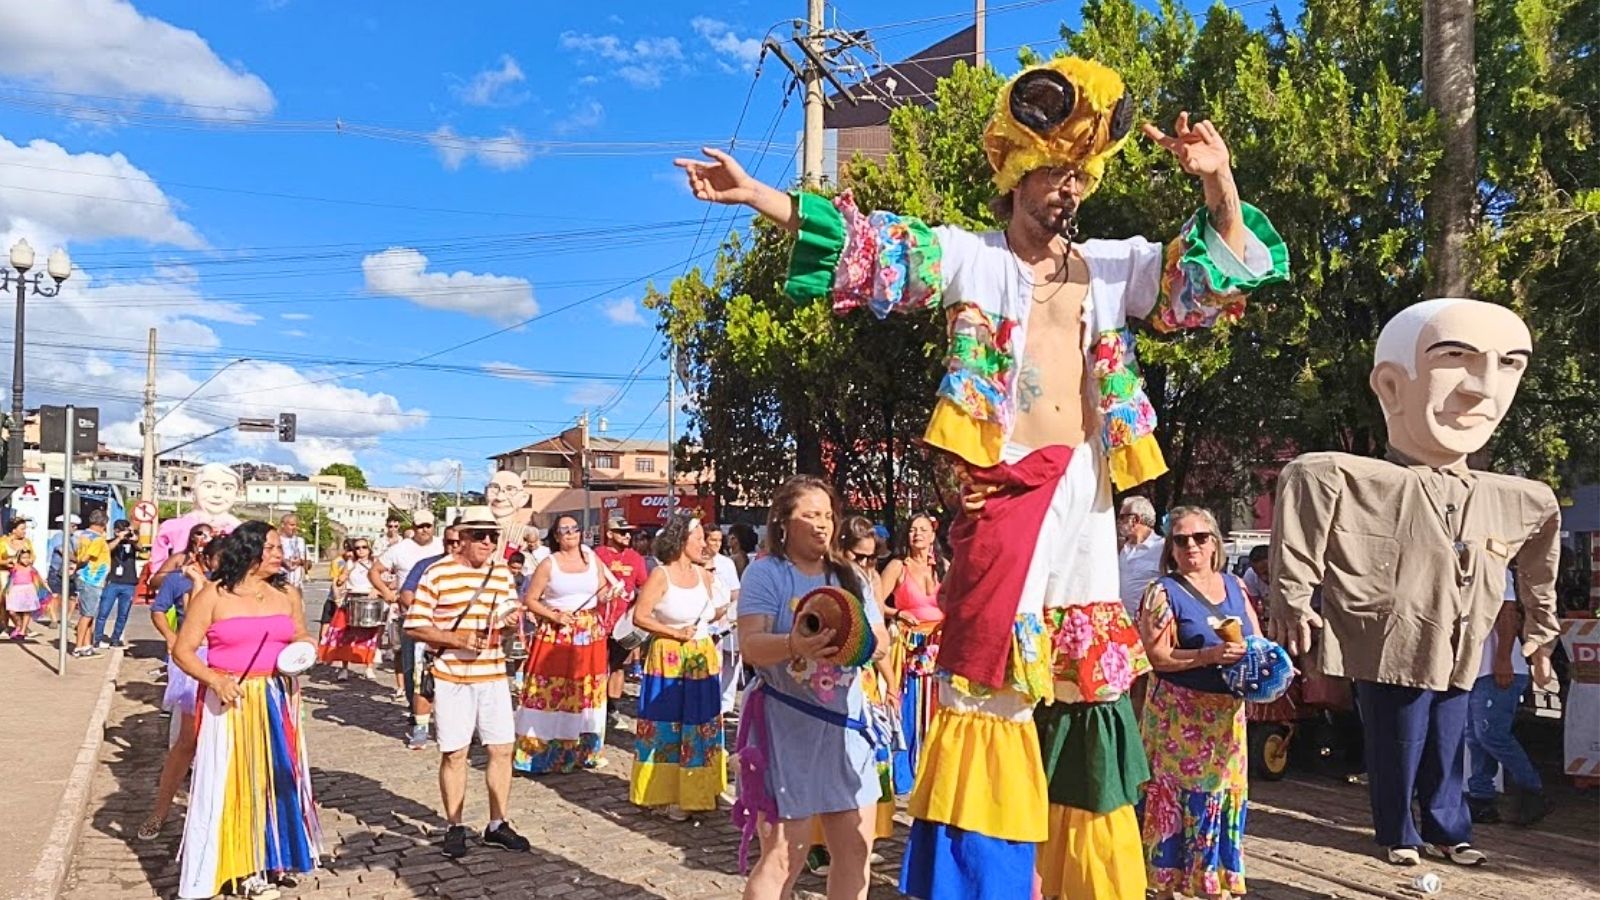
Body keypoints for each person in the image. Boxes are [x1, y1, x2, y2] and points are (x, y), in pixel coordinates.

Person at [680, 55, 1288, 899]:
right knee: (988, 691)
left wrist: (1217, 180)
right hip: (1005, 499)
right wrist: (761, 197)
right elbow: (875, 249)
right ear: (1015, 175)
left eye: (1079, 176)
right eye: (1054, 173)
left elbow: (1217, 273)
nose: (1069, 190)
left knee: (1090, 697)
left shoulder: (1113, 266)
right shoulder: (974, 258)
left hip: (1086, 501)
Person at [1269, 298, 1561, 869]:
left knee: (1449, 741)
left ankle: (1451, 829)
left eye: (1510, 364)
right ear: (1390, 385)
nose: (1483, 388)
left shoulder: (1508, 496)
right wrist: (1293, 595)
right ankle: (1398, 830)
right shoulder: (1362, 478)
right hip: (1393, 645)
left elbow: (1542, 538)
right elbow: (1308, 474)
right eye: (1455, 358)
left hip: (1460, 646)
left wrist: (1542, 631)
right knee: (1397, 740)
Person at [731, 475, 891, 900]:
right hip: (785, 729)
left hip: (845, 730)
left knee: (855, 850)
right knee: (784, 856)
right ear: (783, 522)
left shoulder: (850, 576)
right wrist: (794, 644)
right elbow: (750, 645)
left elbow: (881, 640)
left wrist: (855, 642)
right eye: (810, 515)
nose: (822, 524)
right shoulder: (766, 573)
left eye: (827, 515)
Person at [173, 521, 321, 899]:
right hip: (231, 701)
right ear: (248, 551)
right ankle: (239, 867)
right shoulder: (214, 595)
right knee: (232, 783)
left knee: (275, 781)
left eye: (279, 548)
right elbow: (183, 651)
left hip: (277, 697)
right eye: (270, 548)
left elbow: (299, 634)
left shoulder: (287, 593)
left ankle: (271, 857)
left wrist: (305, 648)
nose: (279, 554)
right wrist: (215, 680)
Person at [1137, 506, 1257, 899]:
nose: (1192, 546)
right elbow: (1157, 656)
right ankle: (1167, 885)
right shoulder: (1162, 592)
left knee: (1219, 800)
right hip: (1179, 719)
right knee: (1176, 802)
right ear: (1170, 548)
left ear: (1215, 544)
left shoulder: (1235, 586)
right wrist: (1207, 656)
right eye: (1181, 539)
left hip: (1226, 721)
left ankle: (1213, 881)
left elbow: (1256, 641)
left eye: (1200, 537)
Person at [402, 507, 530, 860]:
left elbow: (507, 615)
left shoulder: (500, 572)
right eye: (481, 535)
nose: (489, 542)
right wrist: (456, 638)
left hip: (493, 673)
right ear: (463, 537)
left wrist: (509, 622)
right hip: (452, 675)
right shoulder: (437, 573)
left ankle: (497, 823)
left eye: (493, 535)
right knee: (455, 752)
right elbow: (414, 625)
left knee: (501, 749)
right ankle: (454, 825)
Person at [629, 514, 729, 821]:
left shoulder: (705, 575)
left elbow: (712, 613)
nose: (703, 543)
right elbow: (640, 616)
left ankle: (700, 790)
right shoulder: (661, 575)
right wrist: (674, 632)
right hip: (669, 657)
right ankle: (665, 794)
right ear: (681, 540)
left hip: (701, 656)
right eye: (697, 537)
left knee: (702, 723)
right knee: (667, 725)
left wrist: (725, 606)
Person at [514, 514, 616, 774]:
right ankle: (541, 752)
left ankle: (583, 750)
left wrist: (609, 595)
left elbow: (601, 591)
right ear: (556, 536)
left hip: (589, 634)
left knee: (585, 689)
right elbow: (531, 600)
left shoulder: (592, 559)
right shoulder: (549, 564)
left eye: (574, 529)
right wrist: (554, 615)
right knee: (551, 690)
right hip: (557, 632)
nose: (571, 533)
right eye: (564, 530)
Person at [139, 535, 220, 842]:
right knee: (185, 741)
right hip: (194, 659)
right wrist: (173, 639)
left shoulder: (233, 585)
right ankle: (160, 810)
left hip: (226, 666)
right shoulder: (182, 580)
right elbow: (162, 610)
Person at [1464, 577, 1547, 826]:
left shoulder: (1496, 568)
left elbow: (1508, 613)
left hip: (1497, 667)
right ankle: (1481, 797)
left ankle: (1533, 790)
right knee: (1475, 736)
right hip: (1474, 668)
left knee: (1491, 734)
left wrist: (1502, 659)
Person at [877, 513, 944, 795]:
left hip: (939, 646)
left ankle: (934, 770)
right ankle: (905, 770)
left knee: (937, 706)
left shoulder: (943, 567)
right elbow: (876, 604)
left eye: (923, 530)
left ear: (933, 535)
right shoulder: (898, 567)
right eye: (913, 529)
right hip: (909, 647)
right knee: (910, 706)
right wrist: (898, 613)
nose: (917, 534)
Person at [397, 523, 462, 751]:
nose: (454, 546)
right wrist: (424, 614)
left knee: (460, 685)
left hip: (461, 636)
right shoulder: (427, 565)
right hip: (430, 634)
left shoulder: (475, 569)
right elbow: (406, 592)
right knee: (423, 681)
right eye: (449, 542)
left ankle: (459, 727)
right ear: (443, 542)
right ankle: (420, 729)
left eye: (458, 541)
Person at [375, 512, 445, 700]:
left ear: (434, 527)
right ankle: (412, 703)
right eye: (420, 526)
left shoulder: (442, 545)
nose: (424, 530)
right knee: (410, 662)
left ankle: (433, 702)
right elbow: (375, 571)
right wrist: (387, 592)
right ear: (413, 527)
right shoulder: (400, 549)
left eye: (428, 526)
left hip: (439, 615)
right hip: (409, 614)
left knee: (438, 662)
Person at [594, 514, 649, 730]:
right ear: (609, 534)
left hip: (623, 623)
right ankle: (595, 706)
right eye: (622, 532)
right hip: (598, 620)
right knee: (597, 666)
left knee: (617, 667)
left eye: (629, 532)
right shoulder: (597, 555)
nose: (627, 536)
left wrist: (637, 609)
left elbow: (644, 586)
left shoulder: (636, 558)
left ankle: (612, 708)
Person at [150, 463, 242, 572]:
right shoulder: (173, 527)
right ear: (194, 489)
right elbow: (157, 569)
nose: (217, 494)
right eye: (209, 486)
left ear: (236, 493)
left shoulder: (242, 531)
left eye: (227, 488)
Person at [318, 537, 382, 680]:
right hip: (352, 599)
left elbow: (383, 582)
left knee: (370, 635)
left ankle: (369, 667)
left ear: (369, 549)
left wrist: (376, 590)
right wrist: (346, 573)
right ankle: (344, 668)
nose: (361, 550)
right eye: (357, 548)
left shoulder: (375, 564)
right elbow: (340, 581)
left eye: (364, 547)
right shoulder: (350, 563)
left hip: (369, 600)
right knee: (346, 635)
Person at [703, 525, 744, 717]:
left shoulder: (727, 563)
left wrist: (735, 612)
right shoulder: (698, 561)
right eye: (713, 540)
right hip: (707, 619)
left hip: (727, 618)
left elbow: (735, 590)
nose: (717, 544)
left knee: (731, 661)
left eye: (720, 540)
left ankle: (726, 704)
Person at [71, 509, 113, 658]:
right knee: (87, 615)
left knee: (89, 613)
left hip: (86, 578)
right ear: (104, 523)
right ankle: (78, 646)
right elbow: (85, 558)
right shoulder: (97, 539)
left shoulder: (82, 535)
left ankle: (86, 645)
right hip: (92, 578)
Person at [93, 518, 140, 649]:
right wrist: (119, 538)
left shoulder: (132, 543)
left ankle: (115, 638)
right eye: (122, 530)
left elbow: (141, 548)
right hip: (113, 582)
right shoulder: (110, 542)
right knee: (103, 612)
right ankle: (97, 638)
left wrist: (133, 538)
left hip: (129, 583)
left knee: (123, 614)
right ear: (116, 531)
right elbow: (107, 549)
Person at [1117, 496, 1165, 619]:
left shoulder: (1162, 548)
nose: (1118, 522)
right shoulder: (1122, 550)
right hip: (1122, 622)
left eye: (1122, 517)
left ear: (1135, 519)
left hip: (1149, 623)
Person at [5, 548, 51, 640]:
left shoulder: (31, 568)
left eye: (28, 557)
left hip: (28, 590)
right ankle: (19, 625)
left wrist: (47, 588)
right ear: (19, 558)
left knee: (27, 611)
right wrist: (8, 591)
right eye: (23, 558)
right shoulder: (15, 567)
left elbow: (39, 579)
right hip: (16, 590)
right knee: (12, 611)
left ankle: (22, 631)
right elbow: (11, 578)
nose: (26, 560)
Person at [279, 514, 309, 591]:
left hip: (297, 586)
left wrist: (300, 562)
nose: (295, 527)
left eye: (296, 525)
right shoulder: (276, 540)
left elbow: (309, 564)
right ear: (283, 525)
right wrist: (284, 562)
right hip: (280, 585)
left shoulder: (300, 541)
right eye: (292, 525)